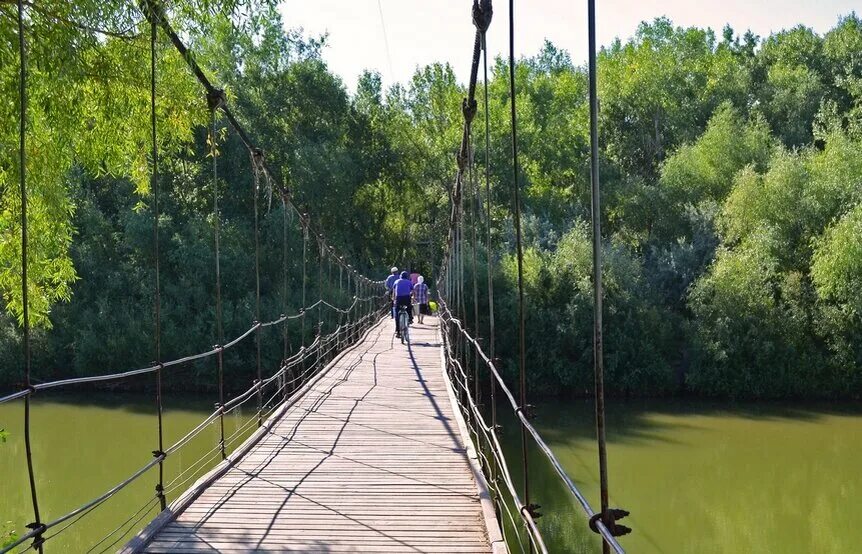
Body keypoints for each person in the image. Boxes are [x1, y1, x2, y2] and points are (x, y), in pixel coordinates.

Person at [392, 270, 413, 336]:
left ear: (400, 276)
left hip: (399, 298)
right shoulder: (409, 282)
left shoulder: (396, 281)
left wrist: (394, 299)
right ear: (406, 277)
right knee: (409, 307)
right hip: (407, 298)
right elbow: (412, 290)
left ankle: (398, 331)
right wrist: (412, 297)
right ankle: (410, 318)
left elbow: (394, 291)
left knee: (397, 313)